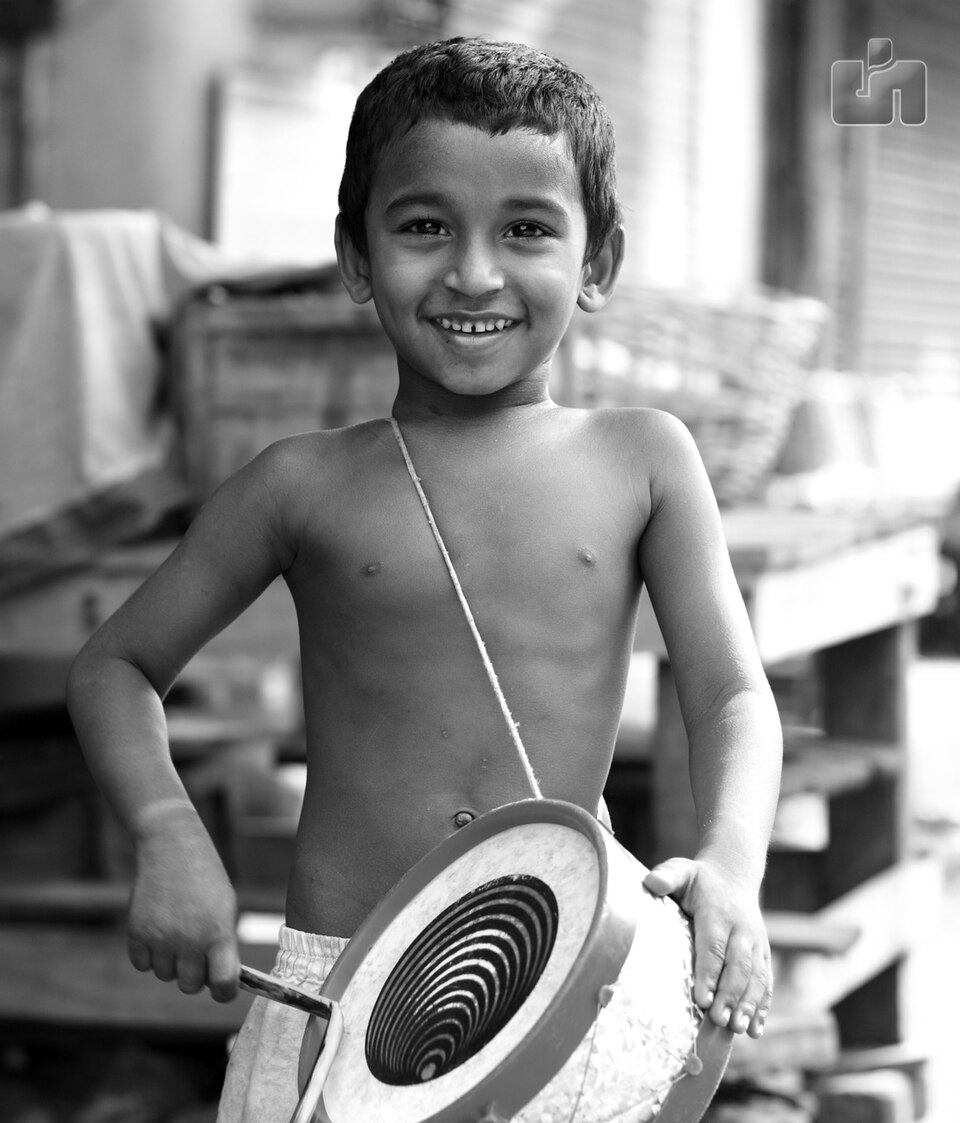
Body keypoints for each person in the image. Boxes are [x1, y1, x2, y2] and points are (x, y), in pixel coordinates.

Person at [67, 36, 782, 1123]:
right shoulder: (298, 486)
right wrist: (167, 831)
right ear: (356, 255)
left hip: (570, 981)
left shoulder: (644, 458)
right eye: (423, 227)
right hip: (334, 994)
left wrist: (731, 861)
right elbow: (117, 665)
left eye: (528, 230)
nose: (474, 272)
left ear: (599, 263)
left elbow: (731, 692)